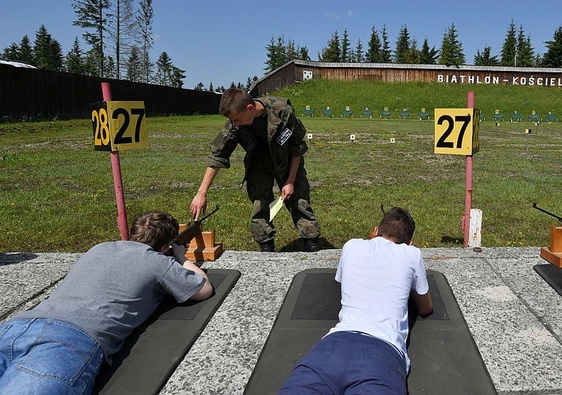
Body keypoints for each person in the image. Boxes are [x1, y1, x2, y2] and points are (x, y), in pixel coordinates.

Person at [0, 211, 212, 395]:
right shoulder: (158, 261)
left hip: (16, 326)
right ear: (165, 246)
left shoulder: (100, 247)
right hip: (70, 339)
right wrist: (180, 256)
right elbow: (203, 289)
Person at [279, 207, 432, 394]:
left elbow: (343, 281)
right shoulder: (412, 254)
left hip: (333, 344)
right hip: (382, 352)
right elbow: (425, 308)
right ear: (409, 243)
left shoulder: (351, 245)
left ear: (375, 231)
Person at [190, 88, 320, 253]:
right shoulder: (235, 122)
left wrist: (290, 181)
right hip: (258, 161)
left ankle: (311, 240)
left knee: (299, 199)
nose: (235, 124)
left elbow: (297, 147)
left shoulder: (282, 111)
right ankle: (266, 243)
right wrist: (201, 193)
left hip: (287, 159)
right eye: (233, 121)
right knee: (260, 202)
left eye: (237, 120)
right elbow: (218, 155)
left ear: (250, 108)